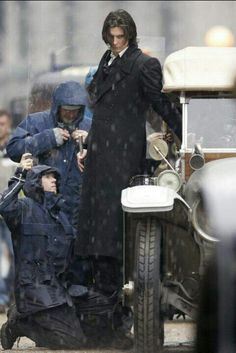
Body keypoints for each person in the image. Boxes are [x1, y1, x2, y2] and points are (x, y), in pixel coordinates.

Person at [76, 9, 182, 295]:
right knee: (98, 222)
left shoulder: (144, 64)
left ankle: (115, 291)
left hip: (123, 151)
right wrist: (87, 146)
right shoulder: (107, 60)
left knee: (115, 222)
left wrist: (183, 131)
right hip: (102, 150)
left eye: (121, 36)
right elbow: (101, 108)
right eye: (111, 37)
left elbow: (158, 102)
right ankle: (102, 289)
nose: (115, 42)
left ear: (130, 35)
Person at [0, 153, 87, 350]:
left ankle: (32, 319)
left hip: (59, 289)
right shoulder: (23, 208)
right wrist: (20, 173)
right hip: (34, 289)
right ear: (35, 182)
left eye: (54, 177)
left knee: (100, 314)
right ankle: (20, 323)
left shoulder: (60, 215)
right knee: (73, 342)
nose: (54, 180)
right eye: (48, 176)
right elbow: (3, 205)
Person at [6, 80, 91, 228]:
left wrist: (90, 141)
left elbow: (109, 156)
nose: (70, 115)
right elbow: (13, 149)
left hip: (78, 209)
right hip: (43, 208)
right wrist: (47, 138)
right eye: (66, 110)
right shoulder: (36, 122)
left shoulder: (89, 125)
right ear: (56, 108)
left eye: (75, 110)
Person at [0, 110, 15, 313]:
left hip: (11, 210)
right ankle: (2, 297)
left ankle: (11, 293)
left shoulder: (14, 149)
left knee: (13, 254)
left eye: (3, 123)